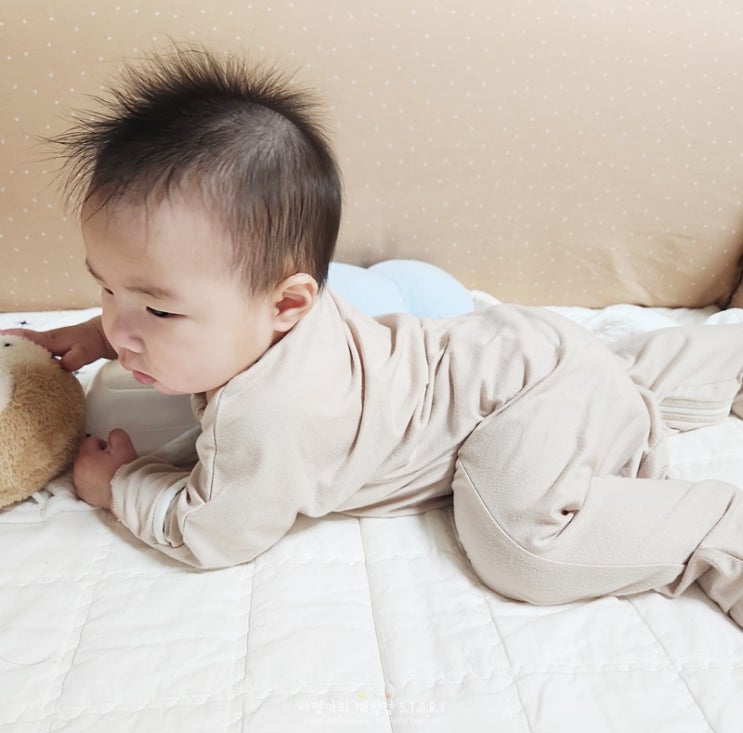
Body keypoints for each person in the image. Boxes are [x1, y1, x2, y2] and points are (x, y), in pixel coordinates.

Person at [7, 47, 743, 627]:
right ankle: (721, 359)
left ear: (286, 303)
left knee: (523, 551)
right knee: (607, 380)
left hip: (517, 406)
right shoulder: (269, 310)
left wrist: (119, 486)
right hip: (520, 349)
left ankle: (719, 526)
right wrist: (98, 335)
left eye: (158, 312)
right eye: (107, 288)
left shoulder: (267, 416)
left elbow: (214, 532)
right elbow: (138, 312)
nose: (122, 326)